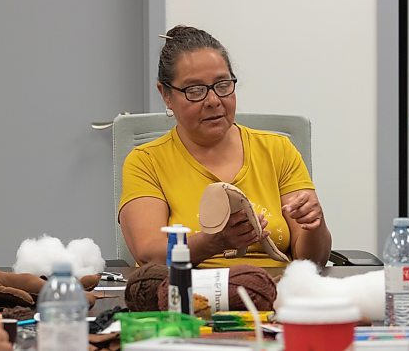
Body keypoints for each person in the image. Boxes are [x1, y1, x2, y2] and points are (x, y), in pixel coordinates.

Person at [119, 25, 332, 268]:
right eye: (195, 90)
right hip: (190, 296)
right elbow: (149, 253)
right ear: (166, 95)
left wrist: (315, 223)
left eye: (222, 85)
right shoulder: (146, 162)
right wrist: (215, 242)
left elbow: (313, 261)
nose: (213, 101)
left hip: (276, 294)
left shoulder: (277, 150)